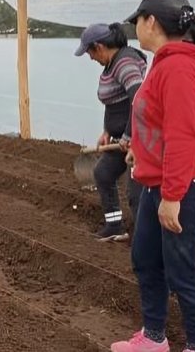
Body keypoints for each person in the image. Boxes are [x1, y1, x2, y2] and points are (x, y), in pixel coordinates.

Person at [110, 0, 195, 352]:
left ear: (152, 23)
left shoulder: (178, 67)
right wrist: (140, 153)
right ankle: (154, 339)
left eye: (137, 22)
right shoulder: (164, 62)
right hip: (157, 181)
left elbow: (183, 136)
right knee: (145, 259)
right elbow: (158, 123)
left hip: (186, 187)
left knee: (185, 273)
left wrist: (173, 197)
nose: (135, 29)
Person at [74, 23, 147, 242]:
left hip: (138, 139)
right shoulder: (111, 64)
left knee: (137, 194)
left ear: (99, 46)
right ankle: (115, 225)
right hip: (119, 139)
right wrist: (108, 130)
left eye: (89, 52)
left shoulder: (125, 62)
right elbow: (115, 101)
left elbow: (139, 99)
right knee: (103, 174)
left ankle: (145, 239)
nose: (90, 58)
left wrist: (129, 135)